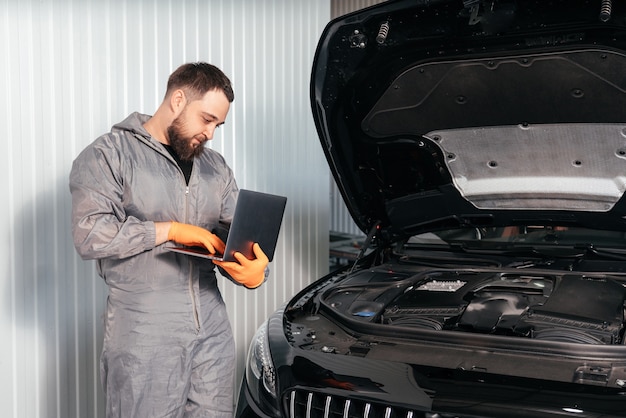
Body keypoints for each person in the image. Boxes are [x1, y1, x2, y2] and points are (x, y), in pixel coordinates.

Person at [69, 62, 269, 418]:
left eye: (218, 125)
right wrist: (169, 230)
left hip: (212, 331)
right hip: (144, 332)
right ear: (178, 99)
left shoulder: (216, 168)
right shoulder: (108, 154)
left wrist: (255, 270)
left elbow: (234, 237)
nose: (210, 133)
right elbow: (89, 234)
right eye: (207, 119)